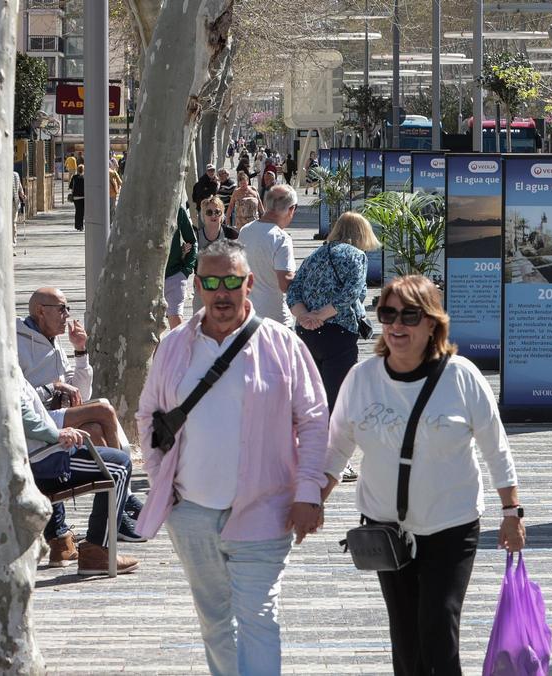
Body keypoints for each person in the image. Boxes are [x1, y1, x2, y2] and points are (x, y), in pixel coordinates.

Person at [136, 238, 329, 675]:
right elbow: (148, 414)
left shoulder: (282, 345)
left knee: (258, 617)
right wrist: (160, 477)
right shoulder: (174, 346)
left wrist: (308, 492)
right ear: (198, 287)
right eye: (210, 282)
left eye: (231, 281)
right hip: (191, 513)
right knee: (215, 623)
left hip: (266, 509)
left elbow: (315, 420)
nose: (221, 293)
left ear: (249, 283)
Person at [324, 275, 525, 675]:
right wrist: (312, 502)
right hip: (386, 529)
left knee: (438, 629)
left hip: (451, 525)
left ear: (432, 323)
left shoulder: (462, 377)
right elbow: (335, 448)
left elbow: (495, 447)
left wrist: (512, 512)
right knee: (406, 641)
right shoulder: (362, 379)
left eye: (409, 315)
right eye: (388, 313)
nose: (397, 325)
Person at [287, 212, 378, 483]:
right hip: (338, 333)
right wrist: (323, 315)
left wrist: (306, 317)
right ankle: (338, 462)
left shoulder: (315, 255)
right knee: (338, 401)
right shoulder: (356, 256)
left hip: (306, 335)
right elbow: (351, 292)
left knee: (312, 399)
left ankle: (309, 455)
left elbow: (293, 292)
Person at [21, 375, 141, 576]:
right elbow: (24, 417)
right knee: (119, 466)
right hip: (43, 461)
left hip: (43, 455)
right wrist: (58, 434)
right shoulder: (5, 370)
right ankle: (98, 553)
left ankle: (85, 544)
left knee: (113, 454)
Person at [238, 184, 297, 326]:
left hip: (248, 318)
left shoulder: (245, 230)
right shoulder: (281, 238)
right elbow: (285, 283)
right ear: (291, 209)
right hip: (276, 320)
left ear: (265, 204)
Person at [165, 206, 199, 329]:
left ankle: (184, 349)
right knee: (149, 332)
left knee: (176, 325)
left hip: (174, 275)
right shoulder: (139, 206)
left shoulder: (176, 209)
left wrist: (186, 270)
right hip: (146, 278)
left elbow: (192, 241)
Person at [68, 164, 85, 231]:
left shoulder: (74, 177)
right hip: (84, 197)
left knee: (78, 211)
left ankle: (77, 226)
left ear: (77, 170)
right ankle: (81, 226)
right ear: (83, 170)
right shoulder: (85, 177)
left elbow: (70, 186)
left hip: (76, 197)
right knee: (82, 212)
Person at [12, 167, 25, 246]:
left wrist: (22, 195)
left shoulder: (16, 175)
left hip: (14, 203)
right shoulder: (16, 175)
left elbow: (19, 188)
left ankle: (13, 243)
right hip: (11, 203)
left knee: (12, 223)